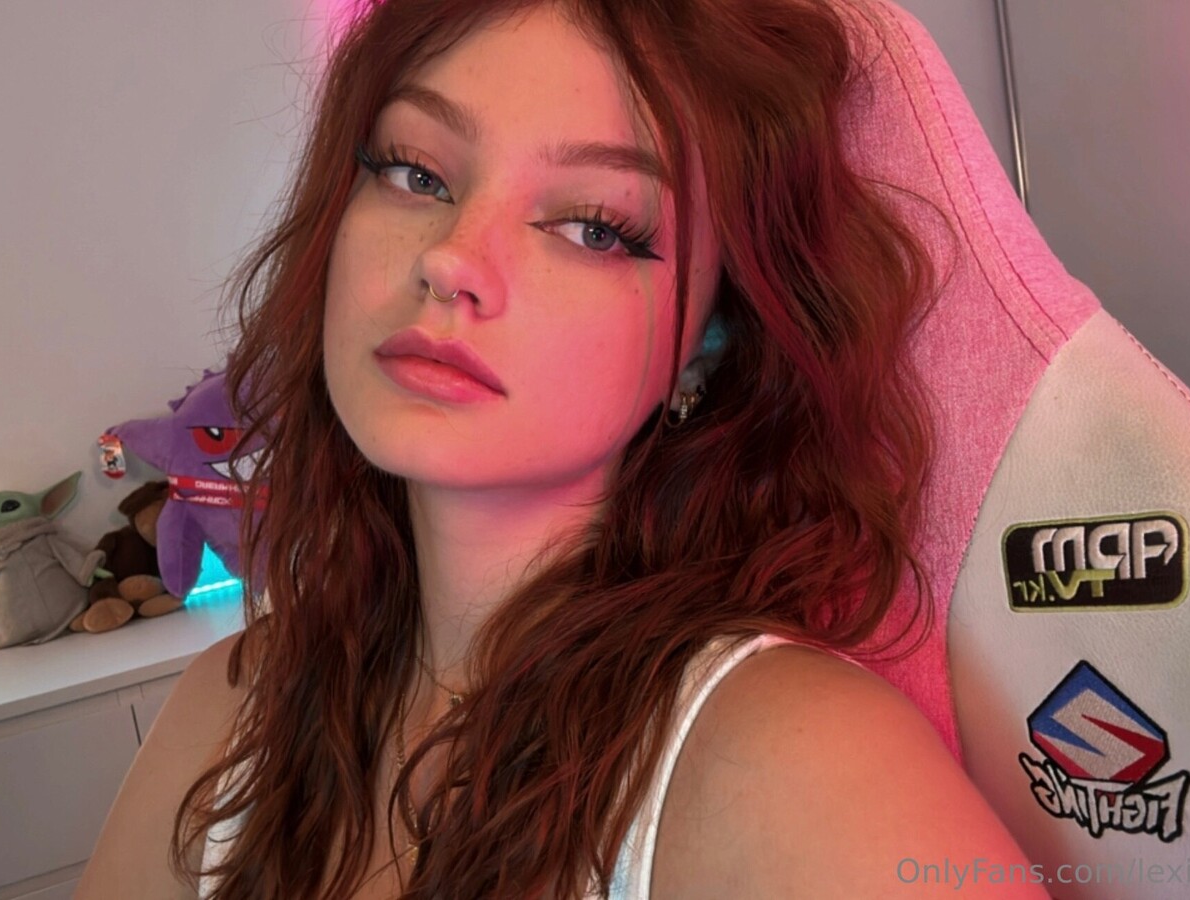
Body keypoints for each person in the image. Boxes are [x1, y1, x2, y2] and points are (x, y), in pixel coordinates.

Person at [79, 0, 1046, 896]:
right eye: (416, 173)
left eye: (593, 227)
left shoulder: (806, 772)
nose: (451, 258)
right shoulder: (228, 710)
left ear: (709, 341)